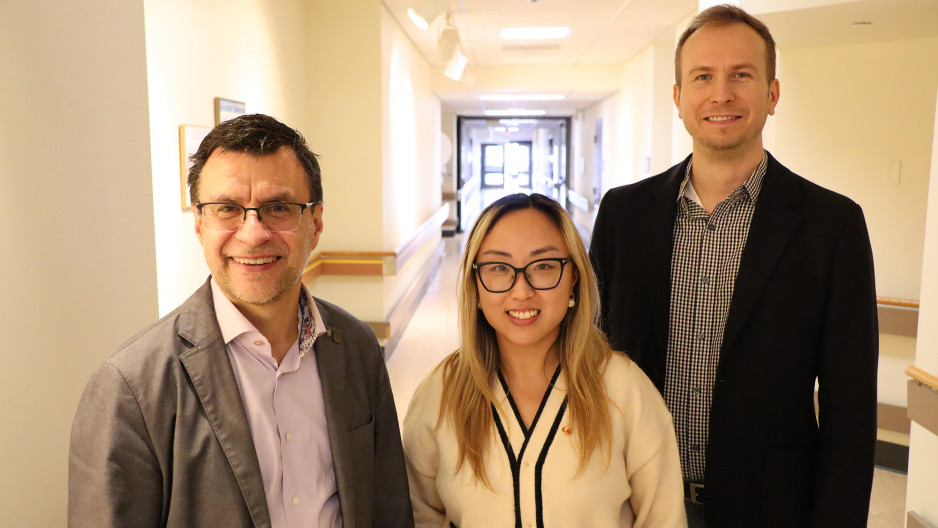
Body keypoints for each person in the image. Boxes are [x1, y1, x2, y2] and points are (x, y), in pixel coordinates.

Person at [589, 5, 878, 527]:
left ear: (771, 94)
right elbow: (588, 356)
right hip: (635, 502)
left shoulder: (831, 227)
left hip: (768, 510)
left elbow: (850, 410)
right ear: (678, 98)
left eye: (741, 75)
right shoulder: (623, 215)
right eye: (703, 76)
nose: (721, 93)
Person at [68, 114, 414, 528]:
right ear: (199, 224)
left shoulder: (355, 346)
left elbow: (388, 507)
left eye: (279, 208)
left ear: (315, 222)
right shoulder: (132, 387)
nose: (253, 234)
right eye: (227, 209)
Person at [403, 193, 685, 528]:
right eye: (498, 268)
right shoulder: (441, 395)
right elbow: (419, 516)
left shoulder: (623, 390)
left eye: (544, 266)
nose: (521, 291)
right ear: (475, 284)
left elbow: (663, 519)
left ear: (574, 278)